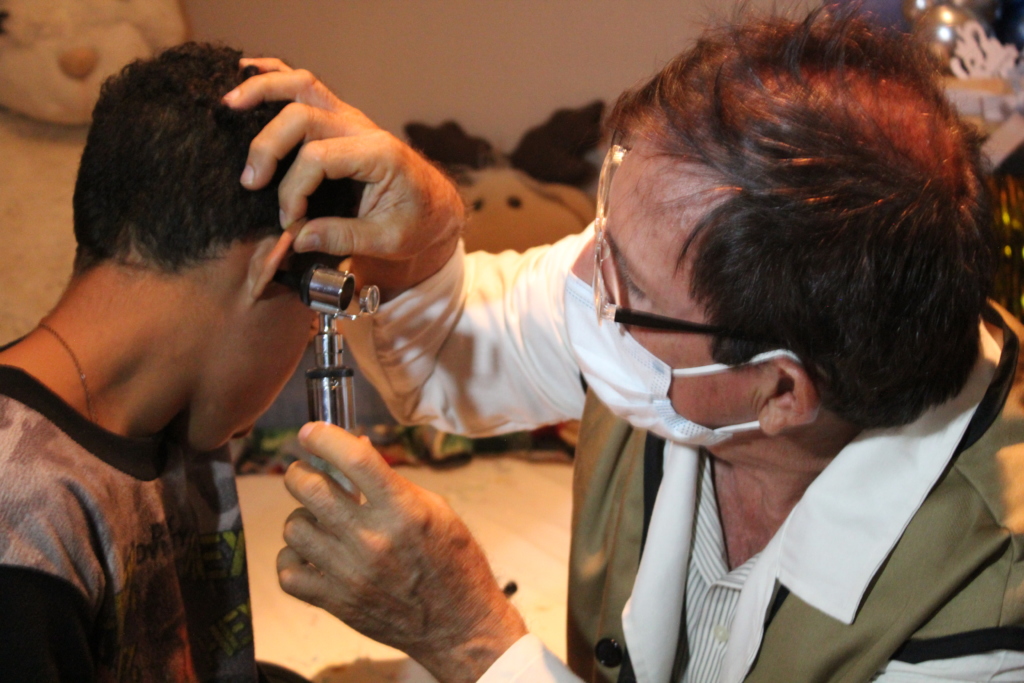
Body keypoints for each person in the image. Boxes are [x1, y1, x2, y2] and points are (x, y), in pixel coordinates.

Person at [224, 7, 1024, 683]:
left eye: (627, 283)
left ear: (780, 390)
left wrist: (472, 639)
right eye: (602, 227)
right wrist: (425, 228)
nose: (577, 273)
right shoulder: (684, 322)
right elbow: (455, 346)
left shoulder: (988, 606)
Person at [0, 43, 348, 682]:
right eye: (313, 324)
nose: (304, 346)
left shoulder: (170, 424)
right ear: (272, 266)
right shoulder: (21, 529)